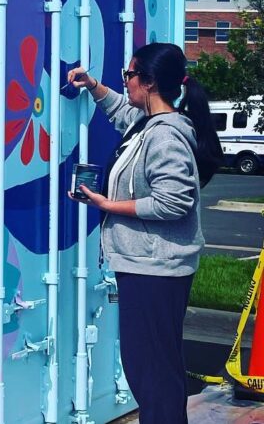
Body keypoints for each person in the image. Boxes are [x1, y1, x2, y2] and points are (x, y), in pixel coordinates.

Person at [67, 42, 222, 424]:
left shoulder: (165, 136)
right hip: (148, 266)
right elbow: (124, 112)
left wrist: (107, 205)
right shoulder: (150, 124)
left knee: (152, 374)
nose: (127, 82)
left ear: (149, 83)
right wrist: (94, 86)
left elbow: (173, 204)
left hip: (156, 269)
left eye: (130, 75)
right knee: (153, 370)